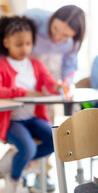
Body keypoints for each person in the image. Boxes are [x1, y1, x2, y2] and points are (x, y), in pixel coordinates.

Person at [0, 16, 70, 192]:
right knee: (28, 148)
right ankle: (14, 180)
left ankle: (16, 158)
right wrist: (24, 93)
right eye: (19, 44)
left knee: (57, 141)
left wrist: (58, 86)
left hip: (32, 118)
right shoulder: (2, 64)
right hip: (11, 121)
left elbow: (49, 82)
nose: (25, 48)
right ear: (6, 42)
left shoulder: (35, 64)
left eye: (28, 43)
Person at [23, 5, 86, 83]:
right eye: (55, 28)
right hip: (24, 60)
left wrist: (66, 82)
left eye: (65, 35)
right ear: (52, 19)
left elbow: (69, 65)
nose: (57, 37)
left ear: (74, 35)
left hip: (50, 69)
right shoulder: (33, 18)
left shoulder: (74, 43)